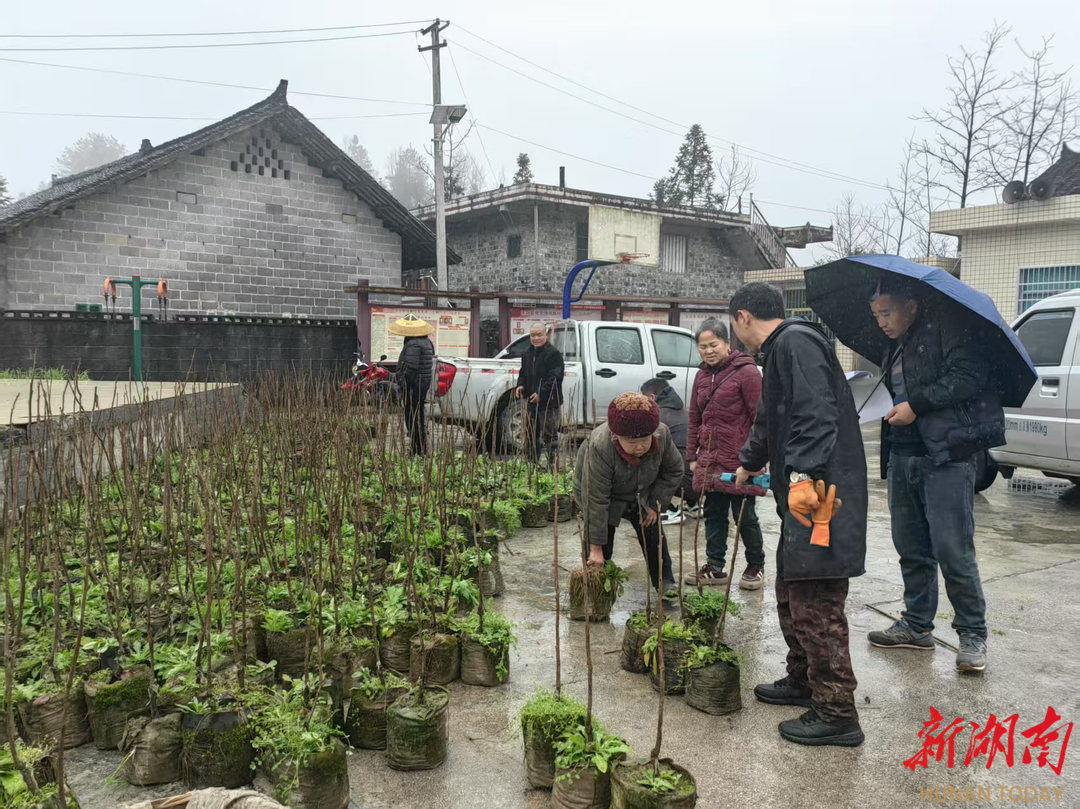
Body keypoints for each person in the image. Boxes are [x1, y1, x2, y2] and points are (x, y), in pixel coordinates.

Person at [730, 282, 867, 748]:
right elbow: (769, 419)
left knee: (817, 597)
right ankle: (803, 679)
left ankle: (837, 711)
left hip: (820, 499)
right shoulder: (779, 352)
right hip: (802, 497)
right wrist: (749, 462)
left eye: (733, 327)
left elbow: (815, 415)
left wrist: (801, 476)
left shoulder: (797, 342)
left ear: (743, 317)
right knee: (791, 586)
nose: (735, 337)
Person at [867, 279, 1003, 673]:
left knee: (952, 549)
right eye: (876, 316)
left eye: (887, 313)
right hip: (903, 455)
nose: (881, 323)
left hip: (946, 455)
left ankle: (972, 634)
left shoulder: (948, 327)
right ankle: (916, 625)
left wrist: (916, 404)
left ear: (910, 306)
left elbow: (968, 377)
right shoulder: (893, 343)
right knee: (910, 546)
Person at [684, 318, 768, 591]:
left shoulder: (748, 373)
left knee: (745, 515)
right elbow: (694, 417)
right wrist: (692, 456)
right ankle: (715, 567)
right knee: (713, 512)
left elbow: (760, 417)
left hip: (741, 457)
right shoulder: (700, 376)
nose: (708, 351)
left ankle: (756, 565)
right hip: (710, 458)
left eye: (713, 344)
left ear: (727, 343)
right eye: (702, 346)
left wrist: (756, 458)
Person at [574, 392, 684, 597]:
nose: (640, 446)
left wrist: (654, 503)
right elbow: (596, 500)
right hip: (603, 495)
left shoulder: (662, 433)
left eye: (645, 439)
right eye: (632, 442)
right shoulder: (600, 446)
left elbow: (674, 470)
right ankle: (597, 586)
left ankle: (665, 581)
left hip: (643, 492)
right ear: (617, 436)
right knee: (601, 546)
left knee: (653, 532)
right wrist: (595, 546)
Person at [640, 377, 699, 524]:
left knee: (643, 464)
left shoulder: (658, 417)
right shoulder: (684, 411)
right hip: (701, 482)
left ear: (652, 397)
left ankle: (667, 511)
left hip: (684, 481)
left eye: (643, 398)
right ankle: (694, 505)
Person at [515, 323, 564, 463]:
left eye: (539, 335)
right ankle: (531, 464)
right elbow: (523, 373)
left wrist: (541, 394)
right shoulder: (527, 353)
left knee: (550, 435)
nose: (536, 338)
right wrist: (521, 385)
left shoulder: (553, 354)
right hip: (532, 401)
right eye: (533, 335)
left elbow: (555, 378)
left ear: (546, 335)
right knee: (531, 434)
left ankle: (552, 466)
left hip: (549, 402)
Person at [392, 314, 434, 456]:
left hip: (414, 385)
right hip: (423, 383)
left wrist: (403, 383)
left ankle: (418, 448)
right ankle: (421, 447)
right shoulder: (427, 342)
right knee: (419, 415)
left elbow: (411, 367)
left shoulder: (414, 344)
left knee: (412, 416)